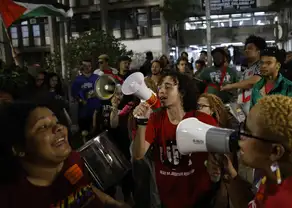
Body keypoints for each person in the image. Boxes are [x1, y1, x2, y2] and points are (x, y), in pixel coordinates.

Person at [207, 95, 292, 208]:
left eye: (248, 133)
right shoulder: (290, 168)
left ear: (275, 151)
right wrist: (231, 174)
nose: (240, 138)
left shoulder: (286, 202)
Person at [0, 102, 130, 208]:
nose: (59, 128)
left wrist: (111, 202)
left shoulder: (73, 159)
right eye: (43, 126)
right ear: (18, 148)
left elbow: (85, 189)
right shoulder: (12, 198)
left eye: (56, 121)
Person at [132, 72, 217, 208]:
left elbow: (219, 150)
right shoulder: (155, 119)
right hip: (168, 198)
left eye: (168, 86)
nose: (161, 91)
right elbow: (138, 154)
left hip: (200, 197)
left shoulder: (203, 119)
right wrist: (142, 121)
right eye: (159, 87)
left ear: (182, 93)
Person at [221, 35, 265, 115]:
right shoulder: (247, 70)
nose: (247, 50)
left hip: (256, 109)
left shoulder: (262, 65)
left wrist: (231, 86)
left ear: (259, 51)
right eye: (246, 48)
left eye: (250, 48)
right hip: (243, 109)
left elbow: (253, 82)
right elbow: (242, 87)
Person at [71, 59, 101, 134]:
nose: (87, 68)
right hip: (83, 112)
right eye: (85, 66)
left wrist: (97, 94)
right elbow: (75, 95)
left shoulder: (97, 78)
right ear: (81, 66)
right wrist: (81, 100)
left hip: (96, 110)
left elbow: (103, 91)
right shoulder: (78, 80)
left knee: (97, 133)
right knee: (85, 134)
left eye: (89, 66)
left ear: (92, 67)